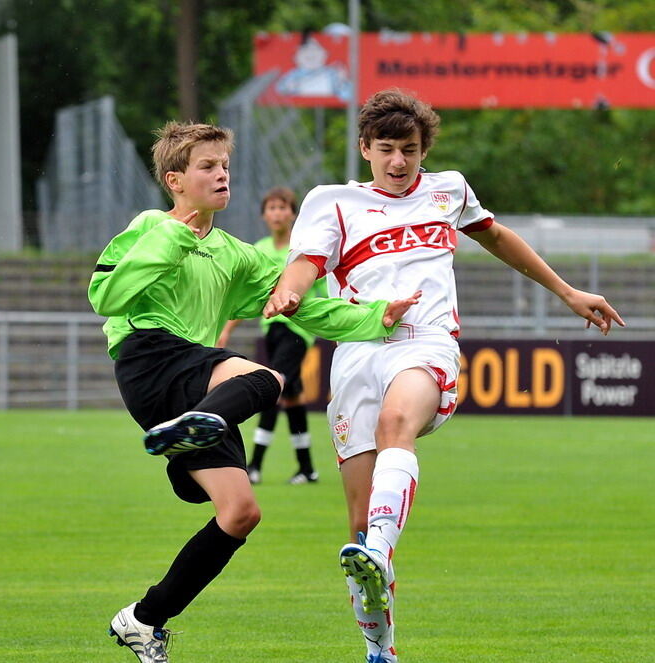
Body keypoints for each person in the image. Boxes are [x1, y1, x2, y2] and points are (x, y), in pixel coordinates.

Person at [264, 89, 625, 663]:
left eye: (410, 150)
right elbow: (307, 262)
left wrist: (568, 291)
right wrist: (291, 289)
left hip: (426, 342)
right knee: (358, 528)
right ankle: (380, 647)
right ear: (365, 149)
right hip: (357, 352)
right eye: (387, 150)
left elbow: (496, 236)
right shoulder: (330, 202)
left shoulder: (448, 189)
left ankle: (382, 548)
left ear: (424, 149)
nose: (400, 162)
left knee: (395, 425)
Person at [89, 120, 422, 663]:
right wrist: (175, 237)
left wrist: (375, 318)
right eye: (207, 167)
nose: (221, 175)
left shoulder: (235, 254)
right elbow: (105, 293)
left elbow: (302, 304)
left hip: (192, 385)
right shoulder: (151, 226)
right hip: (147, 358)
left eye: (225, 166)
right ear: (175, 180)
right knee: (266, 377)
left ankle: (144, 619)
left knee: (240, 512)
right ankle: (190, 445)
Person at [217, 186, 322, 485]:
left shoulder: (303, 249)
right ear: (264, 215)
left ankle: (255, 465)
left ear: (293, 213)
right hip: (271, 331)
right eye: (271, 208)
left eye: (282, 207)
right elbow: (247, 296)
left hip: (297, 330)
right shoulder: (260, 249)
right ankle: (306, 468)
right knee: (292, 396)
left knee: (272, 386)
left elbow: (324, 293)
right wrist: (226, 330)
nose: (277, 213)